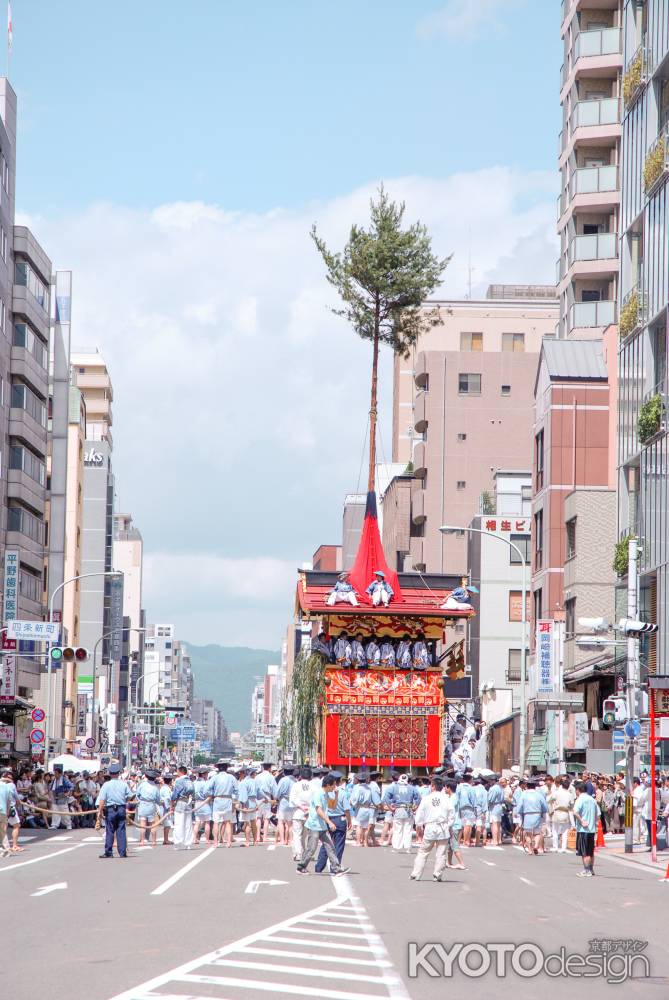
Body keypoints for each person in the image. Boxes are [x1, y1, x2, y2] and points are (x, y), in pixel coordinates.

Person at [296, 773, 350, 876]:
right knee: (312, 848)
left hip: (322, 826)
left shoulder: (326, 794)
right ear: (328, 785)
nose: (335, 787)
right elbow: (319, 810)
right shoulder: (318, 794)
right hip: (314, 825)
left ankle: (336, 868)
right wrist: (330, 822)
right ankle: (301, 867)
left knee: (330, 846)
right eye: (333, 785)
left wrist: (337, 795)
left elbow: (333, 806)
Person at [409, 776, 455, 882]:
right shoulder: (446, 799)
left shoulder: (426, 798)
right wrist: (448, 825)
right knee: (441, 853)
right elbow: (452, 815)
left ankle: (416, 874)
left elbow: (420, 813)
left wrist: (419, 825)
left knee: (423, 851)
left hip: (430, 826)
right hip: (443, 827)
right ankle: (437, 874)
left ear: (433, 786)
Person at [96, 762, 134, 858]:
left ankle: (108, 852)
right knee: (121, 830)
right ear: (118, 773)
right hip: (121, 807)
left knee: (110, 830)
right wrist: (124, 800)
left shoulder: (106, 785)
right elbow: (130, 796)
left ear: (110, 773)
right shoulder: (124, 784)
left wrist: (99, 812)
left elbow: (102, 799)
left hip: (111, 809)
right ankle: (122, 852)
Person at [315, 772, 350, 873]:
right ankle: (335, 867)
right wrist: (349, 820)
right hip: (340, 819)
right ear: (339, 781)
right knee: (339, 844)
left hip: (327, 819)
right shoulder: (342, 793)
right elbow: (346, 809)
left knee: (326, 843)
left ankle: (319, 866)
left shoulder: (325, 792)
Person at [385, 773, 420, 853]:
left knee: (398, 829)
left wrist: (390, 808)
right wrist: (415, 807)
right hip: (408, 810)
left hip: (398, 809)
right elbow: (419, 798)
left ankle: (396, 848)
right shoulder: (412, 788)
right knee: (408, 829)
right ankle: (408, 848)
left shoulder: (393, 787)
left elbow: (386, 797)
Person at [573, 780, 600, 877]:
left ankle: (586, 870)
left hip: (583, 829)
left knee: (584, 852)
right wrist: (594, 822)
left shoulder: (580, 799)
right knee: (590, 851)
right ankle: (591, 869)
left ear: (578, 790)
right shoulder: (592, 800)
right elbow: (598, 814)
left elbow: (575, 812)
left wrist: (581, 821)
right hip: (591, 829)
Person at [210, 761, 238, 848]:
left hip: (217, 800)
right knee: (228, 823)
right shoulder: (231, 777)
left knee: (216, 823)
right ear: (227, 768)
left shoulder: (215, 777)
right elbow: (236, 790)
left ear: (218, 768)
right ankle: (229, 842)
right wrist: (234, 799)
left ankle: (215, 842)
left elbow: (207, 789)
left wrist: (211, 794)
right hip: (228, 800)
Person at [517, 779, 548, 855]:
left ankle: (530, 850)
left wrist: (520, 814)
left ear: (527, 786)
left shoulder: (524, 794)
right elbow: (545, 807)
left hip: (527, 815)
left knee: (528, 833)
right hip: (537, 814)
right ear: (535, 786)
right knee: (537, 833)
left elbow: (520, 807)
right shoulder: (539, 795)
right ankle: (536, 845)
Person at [290, 766, 313, 862]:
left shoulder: (296, 785)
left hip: (298, 812)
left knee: (297, 834)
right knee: (306, 835)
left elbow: (292, 799)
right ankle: (306, 853)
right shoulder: (314, 786)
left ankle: (298, 853)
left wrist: (300, 806)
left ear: (300, 775)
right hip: (309, 812)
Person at [135, 769, 162, 847]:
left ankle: (142, 841)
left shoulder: (142, 785)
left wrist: (140, 800)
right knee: (152, 824)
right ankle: (154, 841)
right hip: (151, 805)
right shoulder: (156, 787)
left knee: (142, 824)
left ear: (146, 776)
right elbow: (158, 799)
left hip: (143, 804)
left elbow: (137, 795)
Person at [171, 765, 195, 851]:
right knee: (188, 824)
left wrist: (172, 803)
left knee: (179, 823)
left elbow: (175, 794)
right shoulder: (190, 781)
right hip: (188, 802)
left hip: (180, 802)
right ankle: (188, 843)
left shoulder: (178, 781)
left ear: (180, 772)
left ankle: (177, 843)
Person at [548, 777, 573, 853]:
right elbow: (571, 805)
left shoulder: (557, 792)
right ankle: (563, 848)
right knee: (565, 832)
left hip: (557, 812)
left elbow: (549, 800)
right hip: (565, 813)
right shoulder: (569, 794)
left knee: (555, 830)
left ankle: (555, 847)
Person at [350, 773, 376, 847]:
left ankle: (358, 842)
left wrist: (352, 803)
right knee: (366, 826)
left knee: (359, 825)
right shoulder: (369, 788)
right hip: (368, 808)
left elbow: (355, 799)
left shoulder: (357, 788)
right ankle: (365, 842)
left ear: (358, 780)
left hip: (360, 807)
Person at [236, 765, 259, 847]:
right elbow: (259, 794)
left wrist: (243, 805)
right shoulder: (254, 782)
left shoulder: (243, 783)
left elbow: (243, 796)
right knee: (253, 823)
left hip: (247, 803)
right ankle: (256, 841)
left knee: (248, 823)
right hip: (254, 802)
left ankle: (248, 841)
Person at [255, 762, 278, 843]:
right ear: (269, 768)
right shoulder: (270, 777)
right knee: (266, 818)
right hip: (267, 797)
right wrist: (275, 799)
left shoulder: (257, 776)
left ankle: (257, 836)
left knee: (258, 817)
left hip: (258, 798)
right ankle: (264, 836)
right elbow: (274, 789)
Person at [192, 766, 213, 846]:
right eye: (206, 774)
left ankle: (194, 838)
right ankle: (207, 839)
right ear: (204, 774)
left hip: (197, 803)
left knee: (197, 822)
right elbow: (209, 795)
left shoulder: (194, 783)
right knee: (207, 822)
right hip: (205, 803)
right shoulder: (206, 783)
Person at [50, 764, 74, 830]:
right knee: (55, 812)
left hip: (62, 797)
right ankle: (55, 825)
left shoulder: (64, 780)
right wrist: (51, 797)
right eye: (54, 773)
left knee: (64, 813)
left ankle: (68, 825)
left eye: (56, 773)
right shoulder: (54, 780)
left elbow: (71, 786)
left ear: (60, 774)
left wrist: (68, 793)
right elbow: (51, 788)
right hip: (55, 797)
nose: (55, 775)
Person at [275, 766, 295, 846]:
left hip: (283, 801)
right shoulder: (295, 780)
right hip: (292, 802)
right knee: (290, 823)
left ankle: (282, 840)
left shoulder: (282, 780)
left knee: (280, 821)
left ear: (284, 772)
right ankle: (291, 840)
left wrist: (276, 798)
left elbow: (277, 792)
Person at [487, 776, 505, 847]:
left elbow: (490, 799)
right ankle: (498, 839)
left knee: (494, 824)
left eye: (490, 781)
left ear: (493, 781)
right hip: (499, 806)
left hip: (494, 806)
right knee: (498, 824)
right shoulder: (500, 788)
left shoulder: (493, 788)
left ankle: (495, 840)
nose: (489, 782)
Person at [158, 774, 173, 845]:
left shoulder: (163, 788)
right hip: (165, 808)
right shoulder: (166, 788)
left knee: (167, 824)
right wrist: (169, 808)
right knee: (167, 824)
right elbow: (167, 799)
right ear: (170, 781)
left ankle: (166, 839)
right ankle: (166, 839)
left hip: (163, 807)